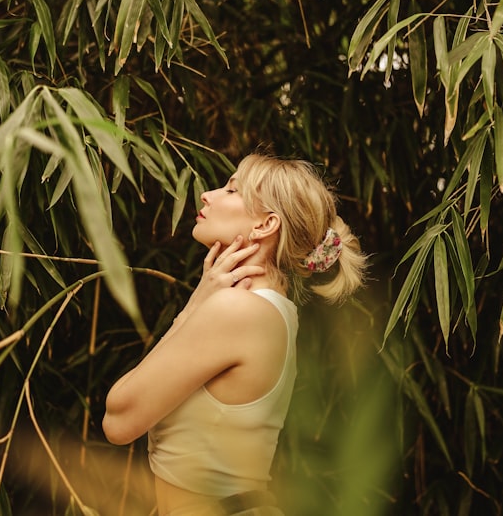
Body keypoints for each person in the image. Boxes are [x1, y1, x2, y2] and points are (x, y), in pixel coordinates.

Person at [102, 153, 367, 515]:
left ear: (265, 225)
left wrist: (195, 305)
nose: (207, 195)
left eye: (231, 189)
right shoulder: (272, 310)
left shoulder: (238, 311)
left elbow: (118, 420)